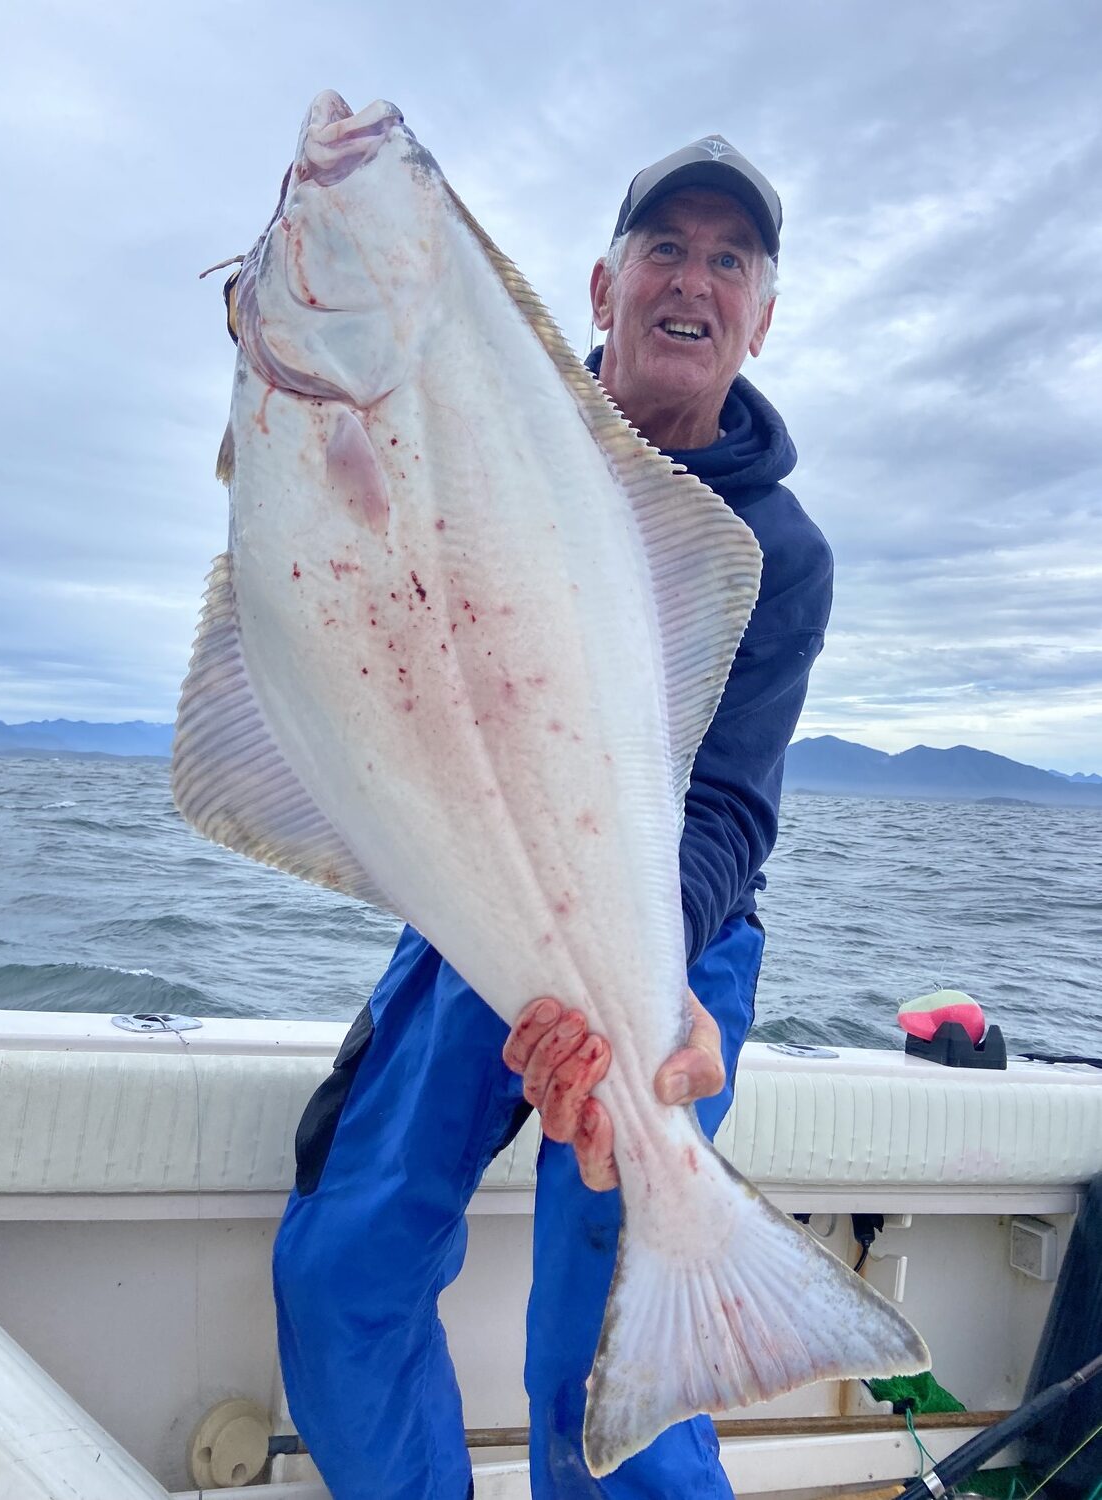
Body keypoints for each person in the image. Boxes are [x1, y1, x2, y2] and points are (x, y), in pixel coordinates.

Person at [273, 134, 833, 1500]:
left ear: (762, 315)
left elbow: (726, 811)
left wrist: (647, 1000)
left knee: (609, 1329)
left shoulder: (783, 553)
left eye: (728, 260)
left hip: (672, 941)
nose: (690, 280)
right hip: (478, 899)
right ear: (600, 284)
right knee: (347, 1256)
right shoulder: (476, 430)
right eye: (663, 249)